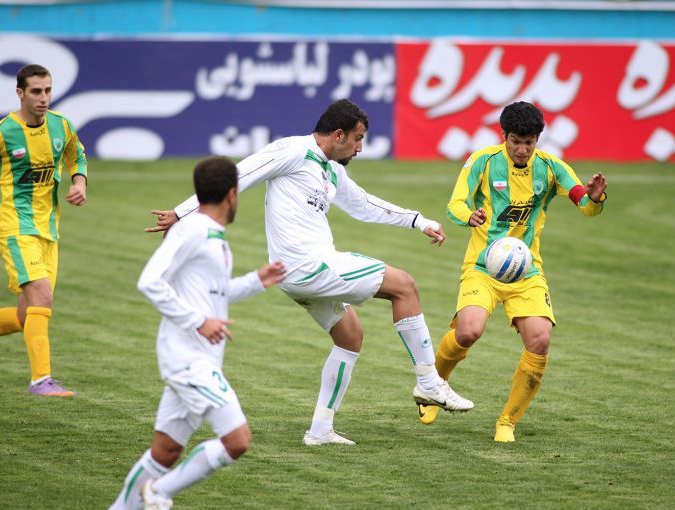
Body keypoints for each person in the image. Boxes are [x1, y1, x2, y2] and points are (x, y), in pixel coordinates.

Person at [147, 99, 474, 446]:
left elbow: (363, 205)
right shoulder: (292, 150)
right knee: (404, 286)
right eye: (358, 139)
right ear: (338, 134)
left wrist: (417, 220)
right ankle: (429, 381)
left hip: (296, 275)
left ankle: (320, 430)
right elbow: (239, 174)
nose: (360, 148)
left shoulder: (332, 169)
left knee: (350, 337)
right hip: (309, 265)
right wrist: (182, 213)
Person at [417, 101, 607, 442]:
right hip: (482, 267)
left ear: (537, 140)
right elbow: (455, 204)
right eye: (515, 141)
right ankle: (433, 388)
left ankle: (507, 422)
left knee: (540, 340)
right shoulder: (483, 161)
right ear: (503, 135)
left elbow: (585, 204)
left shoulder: (551, 168)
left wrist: (594, 198)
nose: (522, 149)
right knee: (468, 332)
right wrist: (469, 216)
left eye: (528, 142)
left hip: (526, 271)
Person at [109, 157, 285, 510]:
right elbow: (150, 282)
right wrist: (198, 321)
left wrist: (256, 281)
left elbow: (213, 294)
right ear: (233, 194)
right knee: (237, 440)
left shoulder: (212, 235)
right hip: (187, 359)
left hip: (200, 358)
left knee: (166, 450)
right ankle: (159, 492)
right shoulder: (192, 231)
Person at [0, 64, 87, 396]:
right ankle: (41, 380)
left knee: (25, 316)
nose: (44, 98)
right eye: (36, 91)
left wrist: (79, 182)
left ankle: (41, 380)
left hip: (49, 232)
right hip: (15, 228)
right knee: (43, 297)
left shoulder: (61, 125)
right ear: (20, 93)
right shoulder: (0, 133)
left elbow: (76, 155)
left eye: (48, 90)